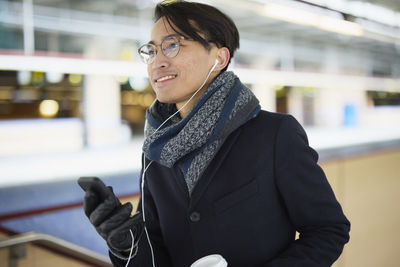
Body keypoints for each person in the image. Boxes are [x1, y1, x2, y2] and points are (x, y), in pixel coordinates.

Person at [81, 1, 350, 267]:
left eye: (172, 45)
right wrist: (129, 245)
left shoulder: (274, 135)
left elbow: (328, 230)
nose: (157, 61)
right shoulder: (156, 151)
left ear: (219, 58)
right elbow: (156, 255)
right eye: (150, 51)